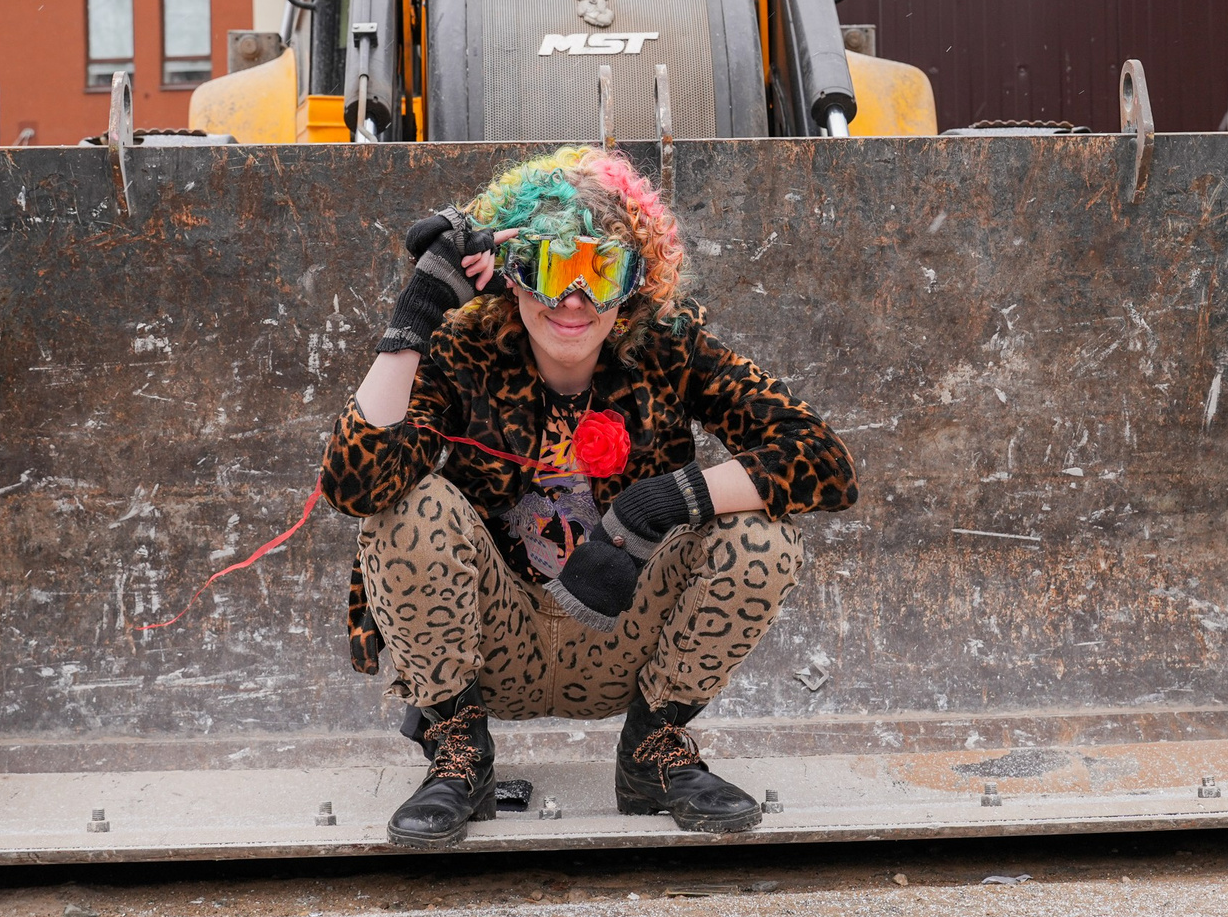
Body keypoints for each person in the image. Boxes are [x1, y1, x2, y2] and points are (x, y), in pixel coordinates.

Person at [320, 145, 855, 849]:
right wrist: (415, 317)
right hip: (489, 645)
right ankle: (458, 752)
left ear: (634, 284)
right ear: (512, 277)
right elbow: (357, 485)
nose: (573, 301)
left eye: (600, 271)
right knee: (409, 511)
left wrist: (656, 504)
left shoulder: (669, 348)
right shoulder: (461, 353)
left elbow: (823, 461)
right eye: (551, 269)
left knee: (762, 536)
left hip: (625, 635)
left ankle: (654, 753)